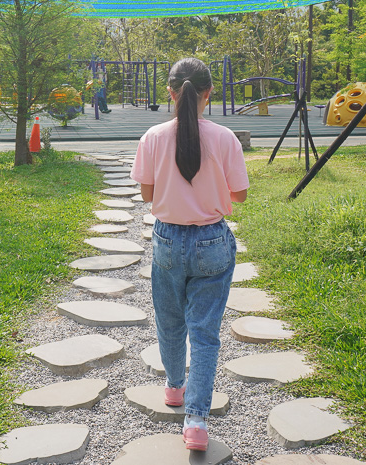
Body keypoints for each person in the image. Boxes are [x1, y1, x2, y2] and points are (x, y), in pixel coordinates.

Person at [129, 57, 249, 451]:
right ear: (208, 93)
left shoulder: (152, 136)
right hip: (212, 241)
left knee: (169, 321)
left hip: (167, 240)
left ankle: (174, 388)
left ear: (170, 92)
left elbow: (147, 195)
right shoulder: (226, 138)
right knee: (205, 333)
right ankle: (196, 422)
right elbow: (240, 195)